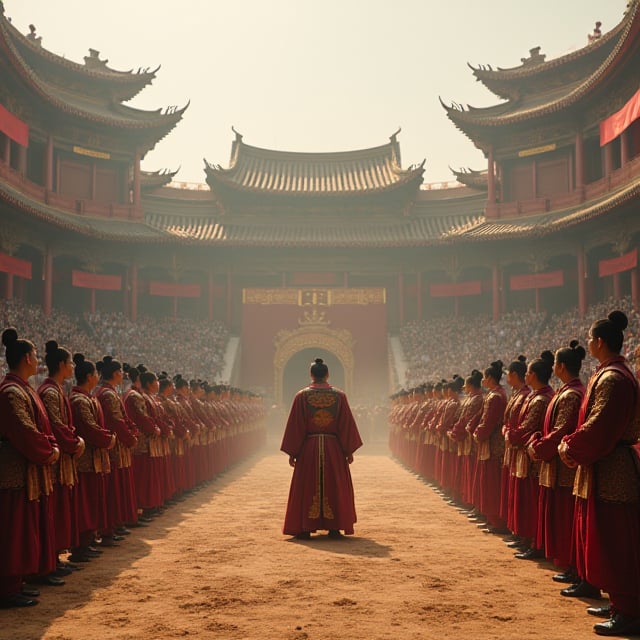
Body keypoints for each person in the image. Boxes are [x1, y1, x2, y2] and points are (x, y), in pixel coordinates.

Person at [560, 311, 640, 636]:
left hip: (614, 469)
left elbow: (600, 426)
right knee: (607, 538)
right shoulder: (609, 374)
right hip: (605, 465)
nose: (589, 343)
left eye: (591, 338)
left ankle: (630, 611)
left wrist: (570, 447)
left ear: (599, 342)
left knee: (617, 539)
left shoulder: (614, 378)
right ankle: (620, 603)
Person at [0, 328, 59, 608]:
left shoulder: (24, 389)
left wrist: (47, 445)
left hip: (29, 469)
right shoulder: (11, 391)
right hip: (14, 472)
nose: (38, 359)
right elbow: (24, 430)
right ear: (26, 357)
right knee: (15, 528)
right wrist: (49, 449)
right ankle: (8, 587)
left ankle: (18, 582)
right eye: (35, 355)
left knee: (26, 526)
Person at [281, 358, 362, 539]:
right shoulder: (339, 396)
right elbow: (345, 424)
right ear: (327, 375)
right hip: (333, 448)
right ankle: (335, 527)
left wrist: (293, 451)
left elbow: (296, 425)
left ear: (311, 375)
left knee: (307, 484)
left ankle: (305, 527)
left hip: (309, 447)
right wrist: (348, 450)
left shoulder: (301, 396)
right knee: (335, 484)